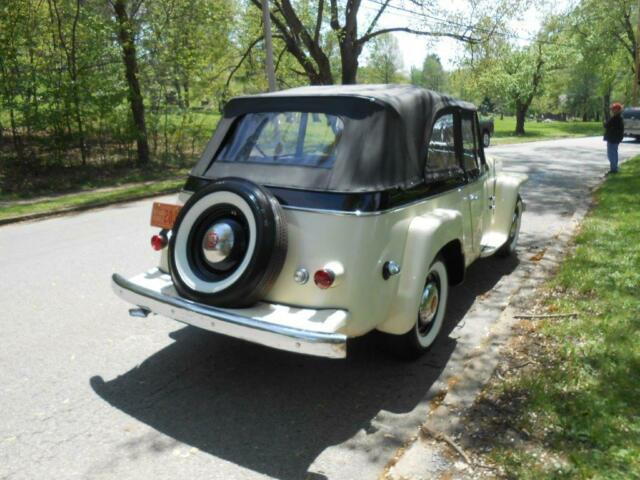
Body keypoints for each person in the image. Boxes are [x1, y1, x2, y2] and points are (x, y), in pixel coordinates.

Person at [603, 103, 624, 174]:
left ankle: (614, 169)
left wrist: (605, 123)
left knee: (611, 154)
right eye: (612, 109)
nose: (612, 110)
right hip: (614, 139)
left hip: (613, 139)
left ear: (618, 110)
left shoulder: (616, 118)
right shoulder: (617, 118)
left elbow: (607, 125)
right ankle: (614, 168)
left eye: (613, 109)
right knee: (613, 153)